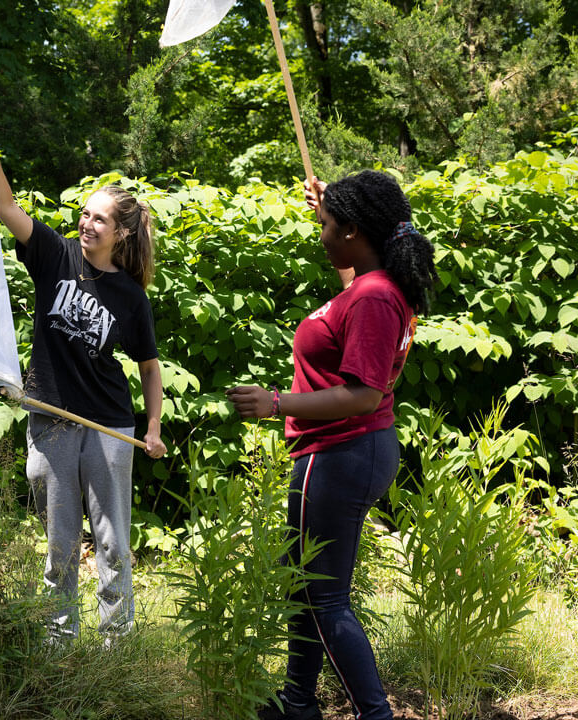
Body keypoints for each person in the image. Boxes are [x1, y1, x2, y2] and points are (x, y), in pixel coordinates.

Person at [226, 170, 434, 720]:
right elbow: (351, 270)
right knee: (306, 584)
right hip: (344, 451)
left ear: (352, 230)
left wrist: (276, 403)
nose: (319, 230)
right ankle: (298, 702)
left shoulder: (373, 297)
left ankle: (375, 714)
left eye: (326, 224)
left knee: (325, 597)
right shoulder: (372, 282)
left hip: (342, 451)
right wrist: (329, 207)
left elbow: (362, 395)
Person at [0, 126, 168, 643]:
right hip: (50, 418)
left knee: (112, 542)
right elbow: (8, 210)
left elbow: (149, 366)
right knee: (59, 544)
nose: (87, 223)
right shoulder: (55, 256)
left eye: (99, 218)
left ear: (121, 232)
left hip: (108, 424)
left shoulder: (130, 297)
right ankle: (59, 645)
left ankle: (115, 646)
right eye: (85, 213)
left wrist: (153, 426)